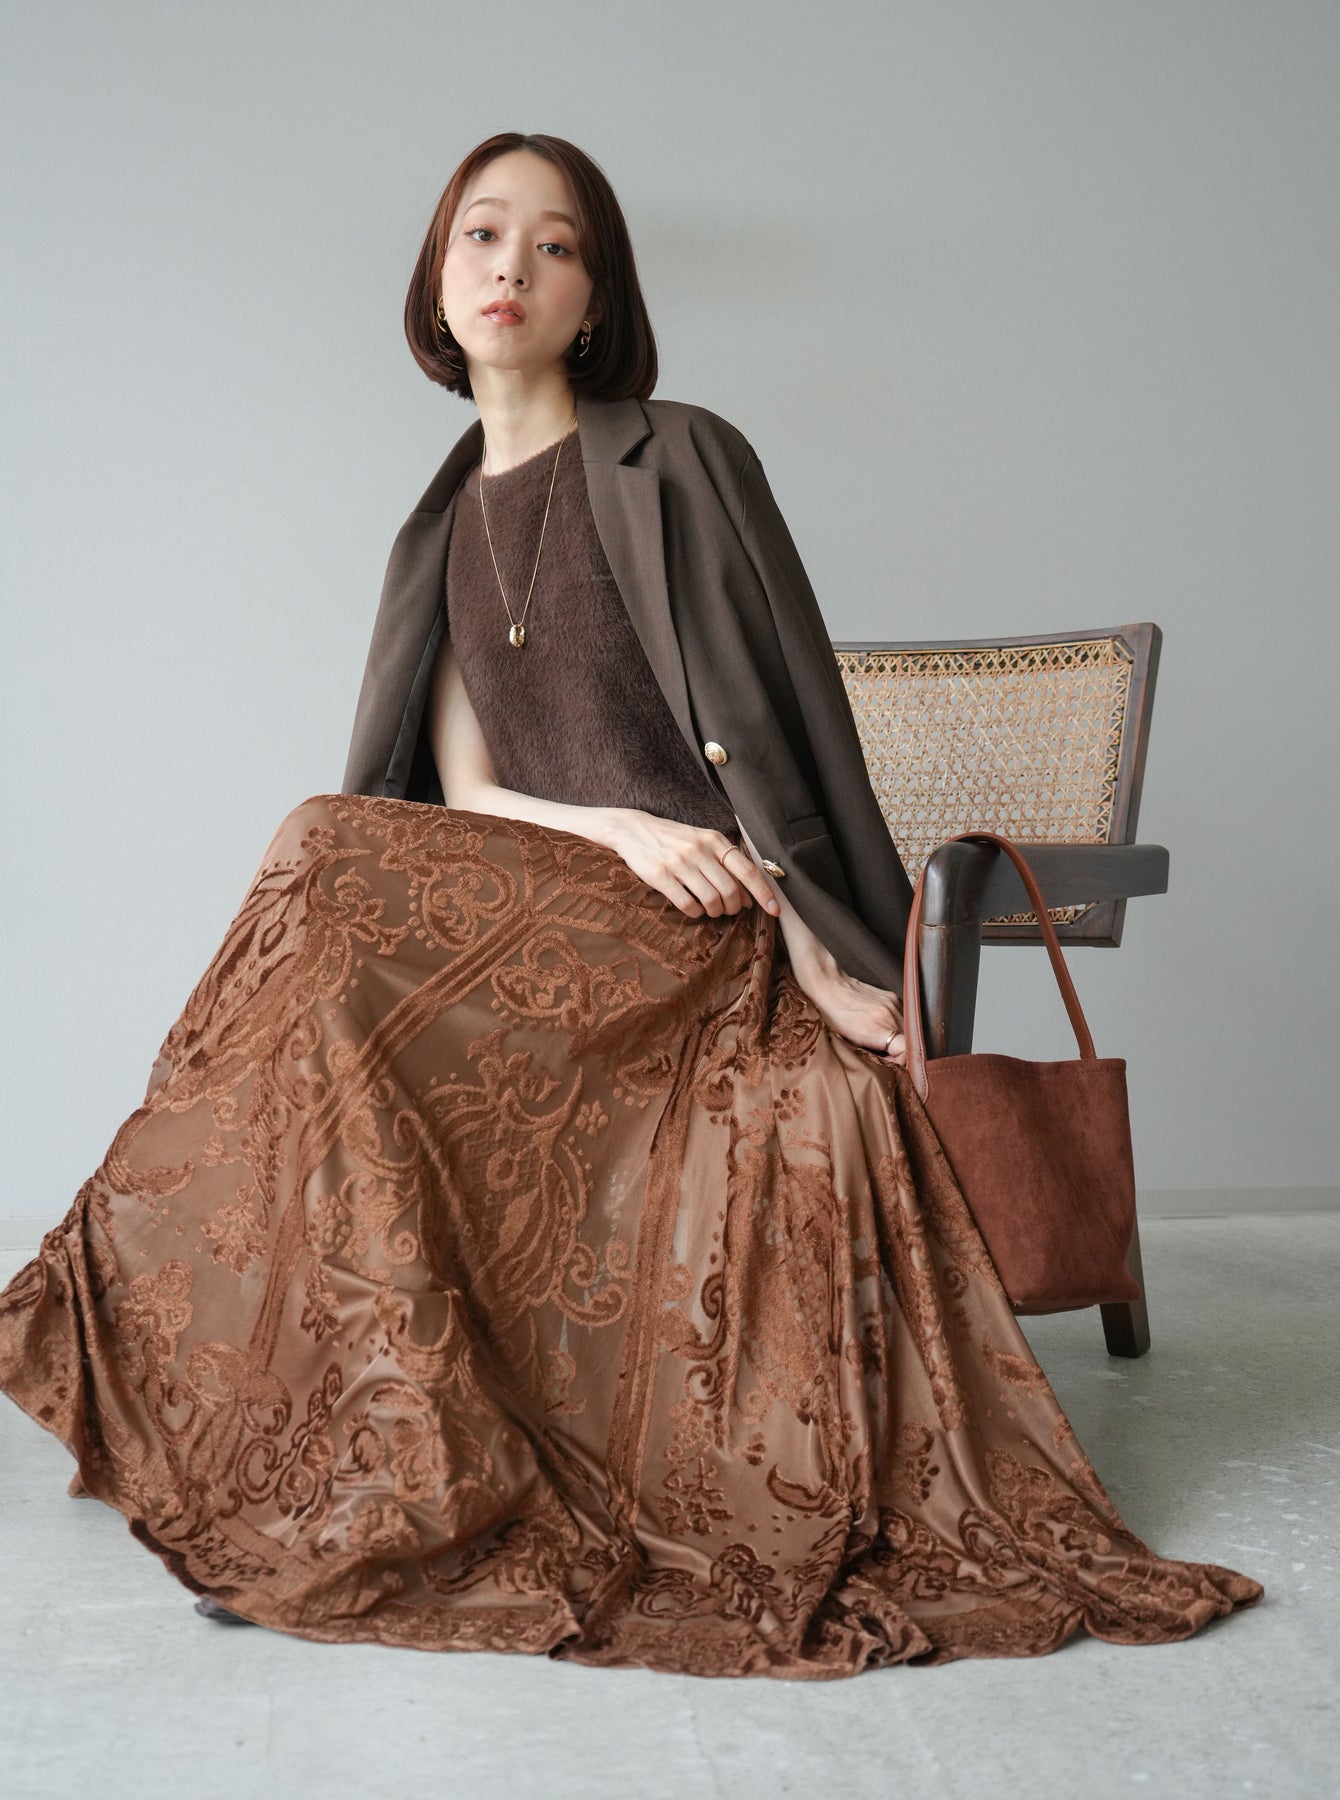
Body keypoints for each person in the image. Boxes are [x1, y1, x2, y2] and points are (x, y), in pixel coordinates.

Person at [0, 132, 1261, 1678]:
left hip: (716, 936)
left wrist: (820, 943)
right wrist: (610, 829)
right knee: (325, 868)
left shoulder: (684, 457)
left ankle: (203, 1352)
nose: (511, 268)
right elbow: (462, 793)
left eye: (555, 245)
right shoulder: (438, 528)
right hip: (569, 916)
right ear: (436, 282)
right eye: (480, 236)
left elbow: (789, 733)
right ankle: (356, 1447)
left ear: (594, 300)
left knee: (317, 856)